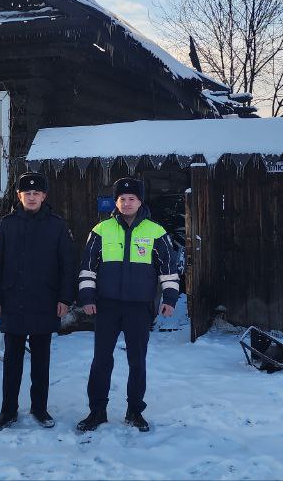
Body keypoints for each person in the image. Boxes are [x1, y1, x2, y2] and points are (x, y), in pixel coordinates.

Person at [75, 177, 180, 433]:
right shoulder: (101, 230)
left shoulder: (156, 232)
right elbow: (88, 268)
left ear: (140, 201)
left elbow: (168, 269)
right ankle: (97, 411)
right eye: (122, 199)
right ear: (116, 202)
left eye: (132, 198)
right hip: (107, 306)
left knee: (137, 361)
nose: (127, 203)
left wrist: (169, 299)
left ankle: (135, 411)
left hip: (139, 308)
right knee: (101, 360)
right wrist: (87, 298)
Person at [0, 171, 77, 431]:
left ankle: (39, 408)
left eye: (37, 193)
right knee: (12, 362)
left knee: (41, 362)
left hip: (45, 303)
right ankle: (8, 411)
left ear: (44, 196)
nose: (32, 197)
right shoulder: (6, 226)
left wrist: (65, 298)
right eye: (27, 193)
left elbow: (67, 265)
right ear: (19, 196)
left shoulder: (57, 226)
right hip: (12, 303)